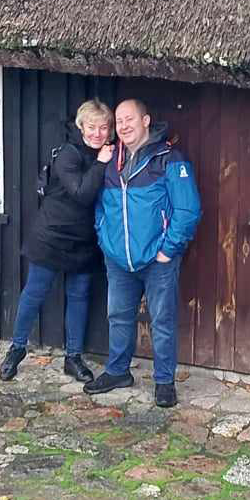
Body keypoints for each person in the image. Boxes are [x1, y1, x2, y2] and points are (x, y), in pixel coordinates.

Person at [85, 97, 201, 407]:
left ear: (146, 121)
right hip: (118, 260)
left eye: (129, 119)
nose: (123, 126)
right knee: (119, 316)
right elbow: (100, 206)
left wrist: (168, 250)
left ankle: (164, 381)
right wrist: (105, 240)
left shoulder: (169, 159)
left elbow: (187, 210)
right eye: (119, 121)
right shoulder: (109, 161)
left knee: (161, 321)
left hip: (157, 260)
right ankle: (118, 371)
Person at [2, 99, 114, 383]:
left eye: (103, 128)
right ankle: (16, 349)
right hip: (52, 234)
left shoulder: (108, 152)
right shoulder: (69, 153)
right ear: (81, 126)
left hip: (84, 238)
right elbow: (81, 193)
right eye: (92, 127)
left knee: (79, 297)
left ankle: (73, 357)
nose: (97, 134)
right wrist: (101, 164)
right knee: (35, 293)